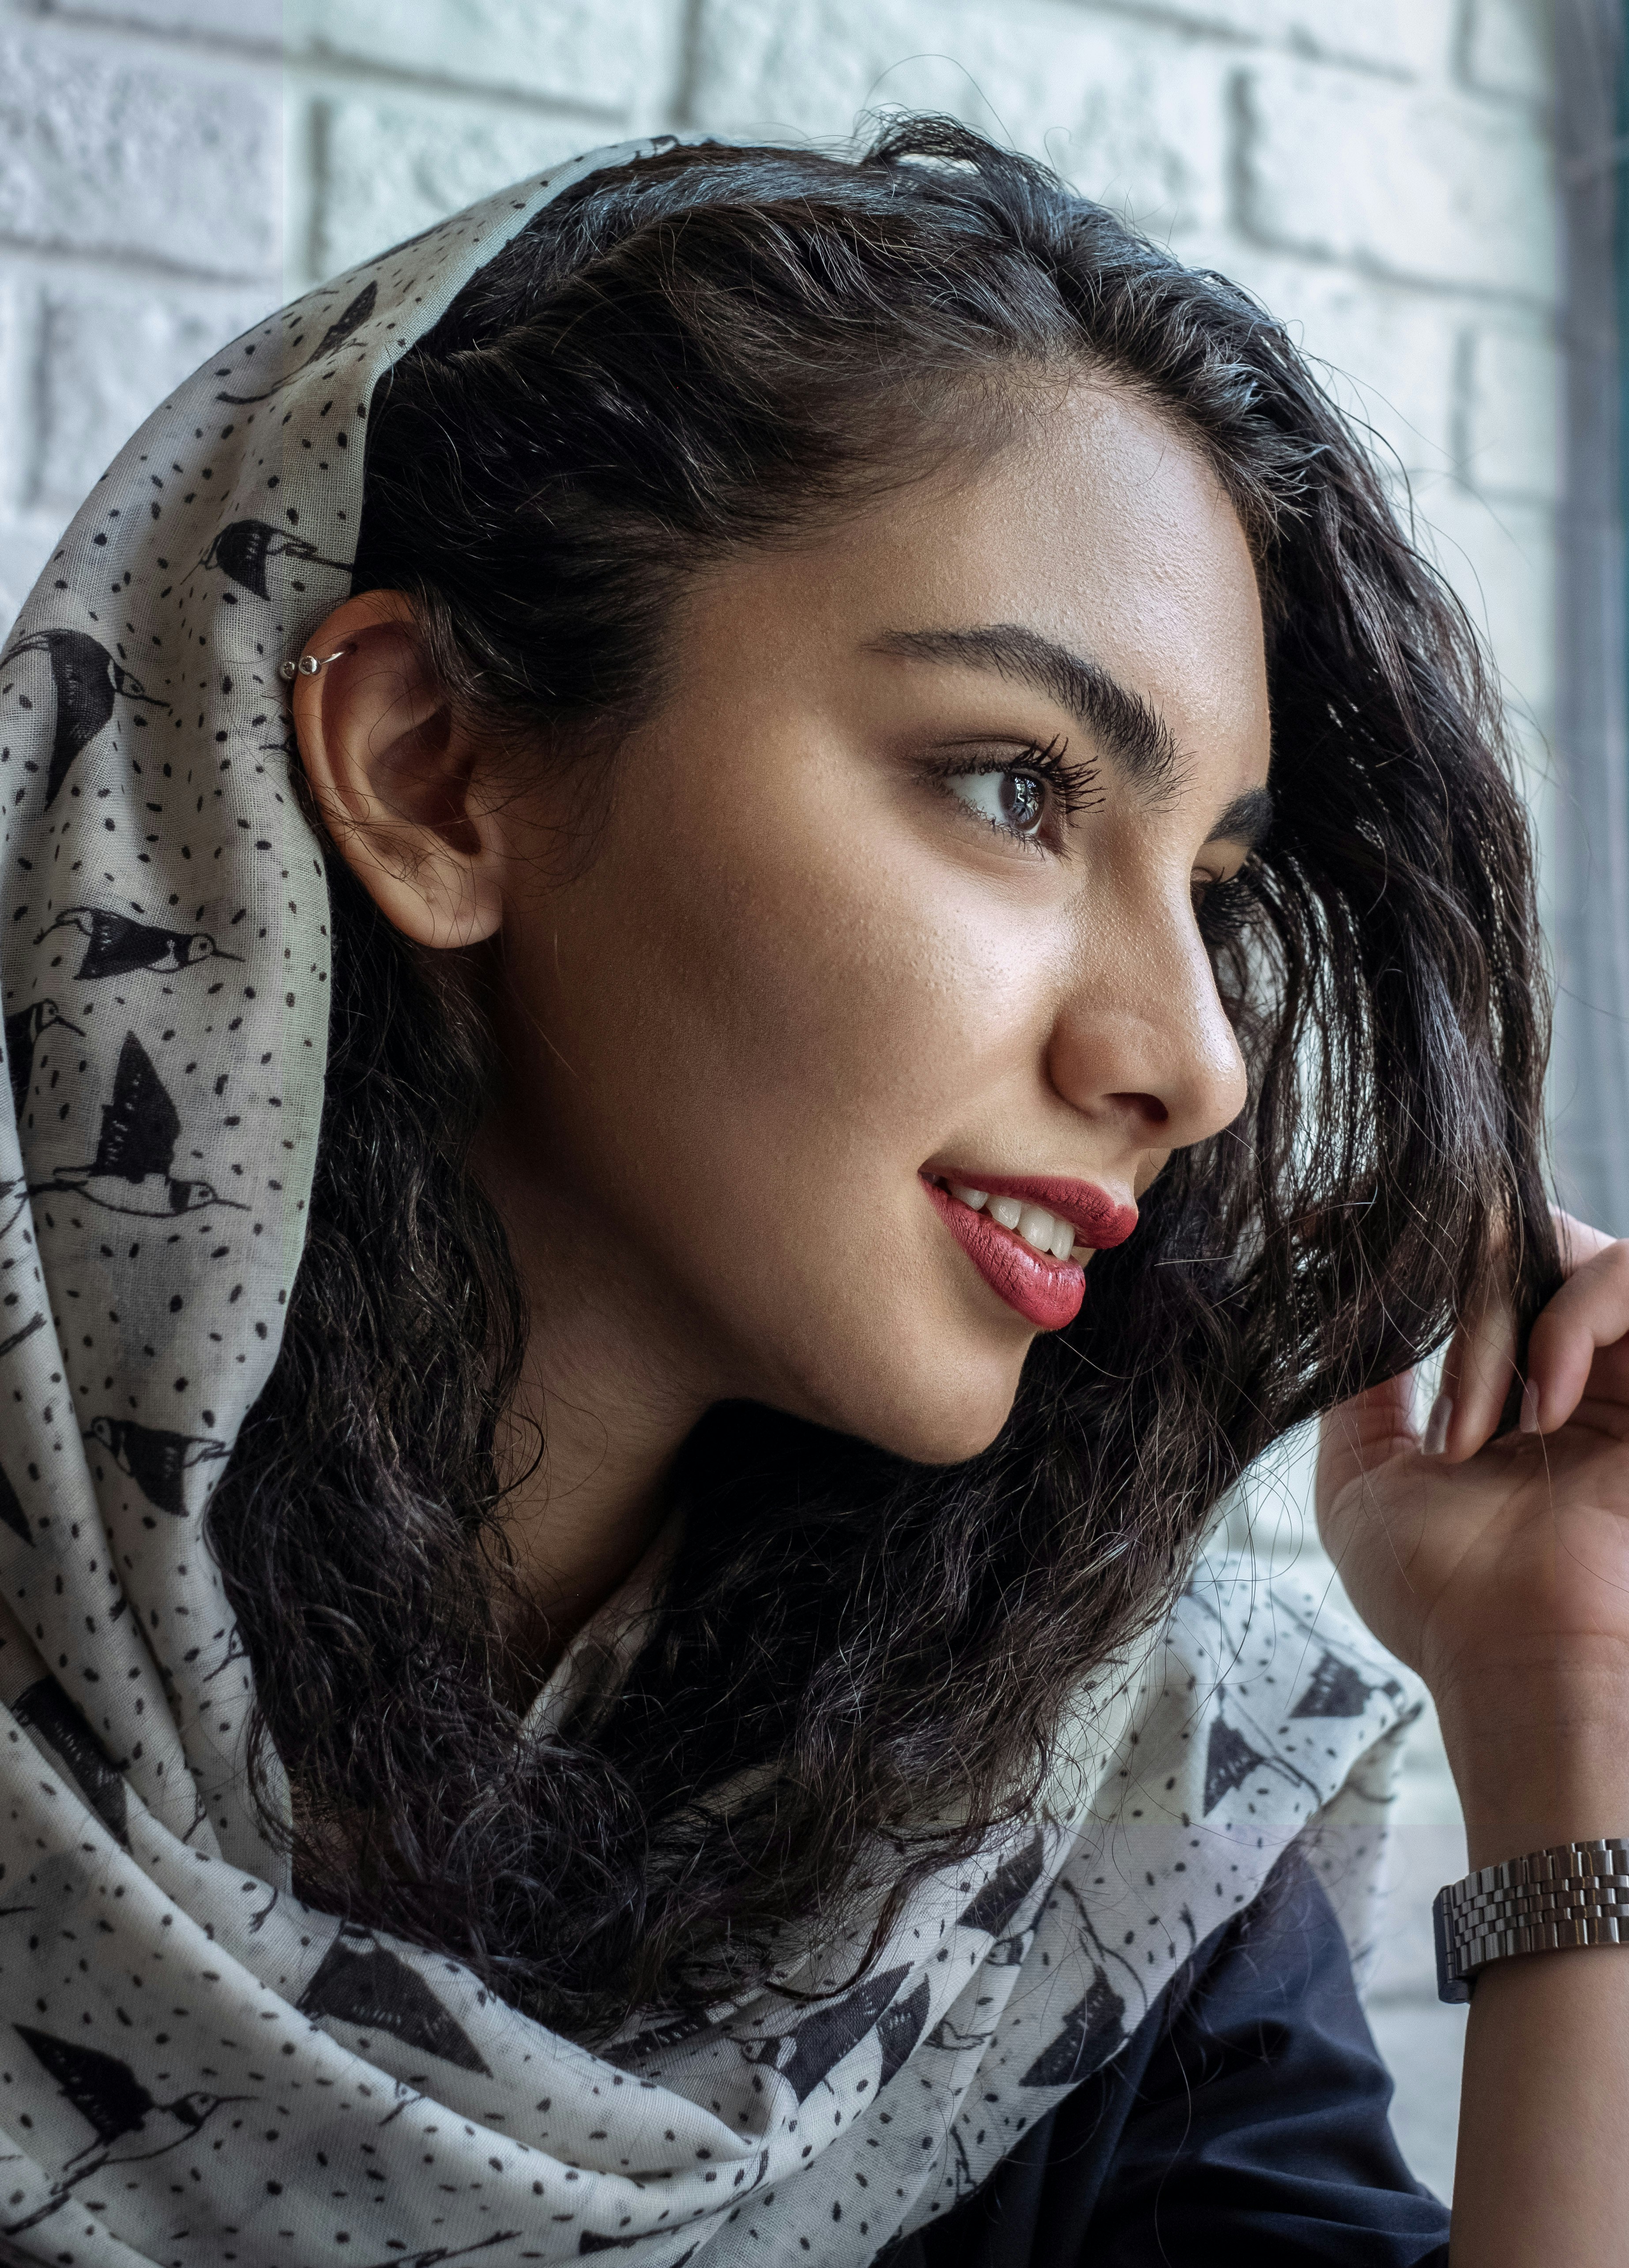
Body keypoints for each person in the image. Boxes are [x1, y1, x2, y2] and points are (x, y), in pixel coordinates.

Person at [0, 120, 1623, 2268]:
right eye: (1009, 787)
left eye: (1210, 888)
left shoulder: (1053, 1858)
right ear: (431, 769)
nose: (1195, 1058)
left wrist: (1566, 1714)